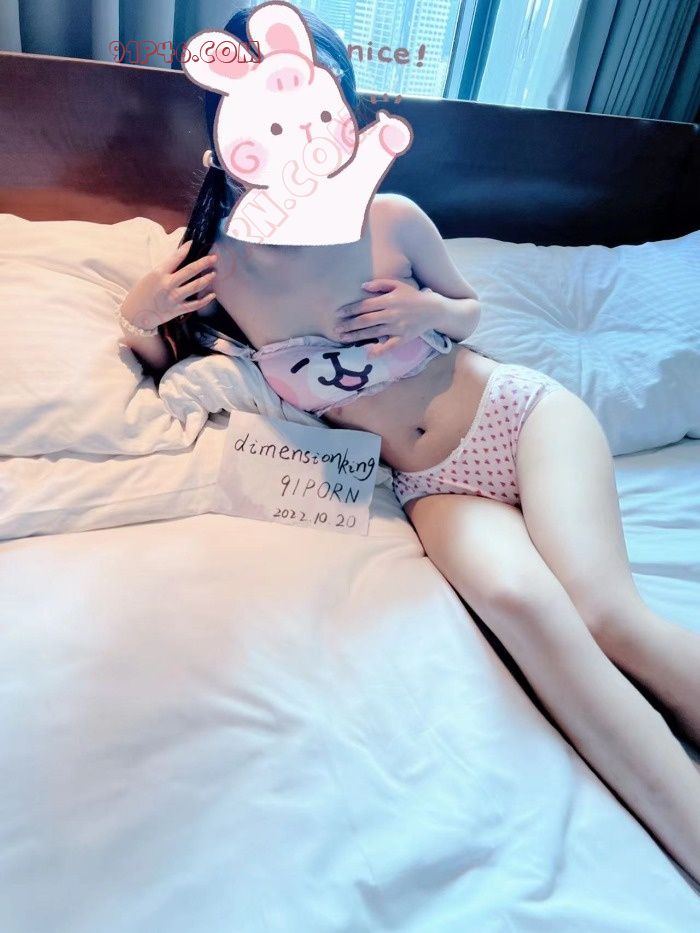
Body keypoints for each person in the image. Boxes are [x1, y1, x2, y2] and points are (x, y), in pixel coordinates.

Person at [116, 5, 700, 884]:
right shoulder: (217, 268)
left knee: (606, 615)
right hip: (433, 485)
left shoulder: (391, 216)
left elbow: (469, 312)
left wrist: (430, 309)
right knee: (524, 607)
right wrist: (140, 317)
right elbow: (167, 367)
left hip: (517, 414)